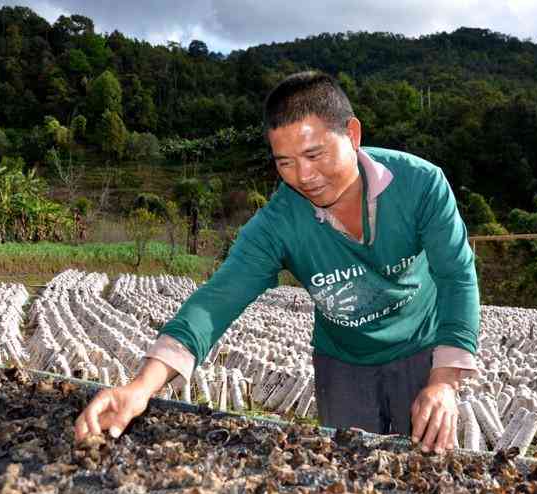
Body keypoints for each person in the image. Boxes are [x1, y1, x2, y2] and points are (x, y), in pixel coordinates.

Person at [75, 71, 480, 453]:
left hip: (420, 346)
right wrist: (141, 387)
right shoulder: (277, 224)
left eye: (314, 154)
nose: (304, 176)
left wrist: (444, 381)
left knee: (428, 469)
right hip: (343, 360)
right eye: (285, 162)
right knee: (351, 469)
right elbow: (216, 300)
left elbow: (457, 276)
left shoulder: (420, 184)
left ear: (352, 134)